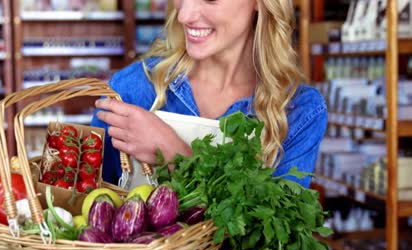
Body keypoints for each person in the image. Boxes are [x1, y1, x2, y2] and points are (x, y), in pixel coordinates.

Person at [91, 0, 327, 190]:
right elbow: (85, 215)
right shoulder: (131, 89)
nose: (184, 15)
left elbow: (274, 243)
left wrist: (175, 155)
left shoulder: (299, 112)